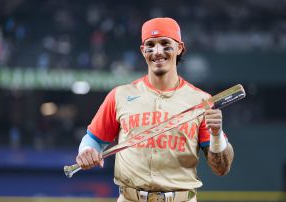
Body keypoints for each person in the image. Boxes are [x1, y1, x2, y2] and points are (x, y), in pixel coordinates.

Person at [76, 17, 234, 202]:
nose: (157, 51)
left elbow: (221, 168)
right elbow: (93, 140)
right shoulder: (120, 95)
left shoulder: (201, 101)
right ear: (143, 51)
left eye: (165, 44)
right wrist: (86, 149)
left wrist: (216, 135)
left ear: (179, 48)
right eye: (150, 45)